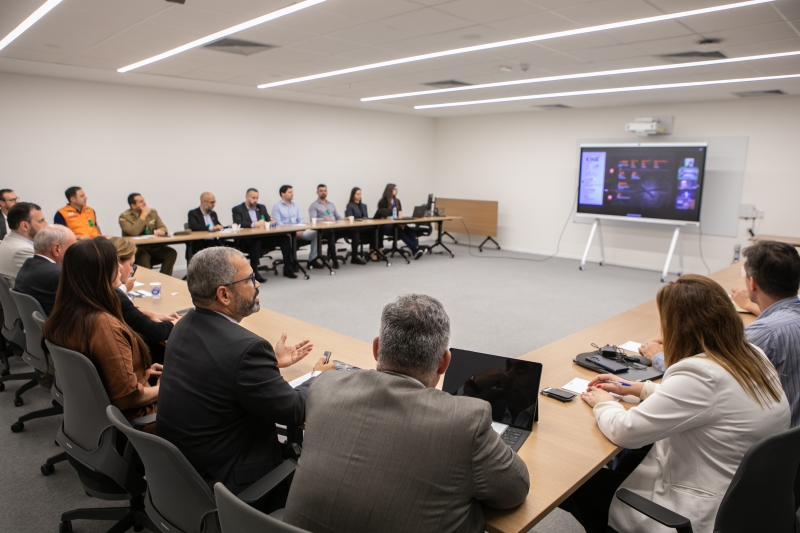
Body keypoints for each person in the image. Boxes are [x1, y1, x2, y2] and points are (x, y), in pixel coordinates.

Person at [561, 274, 790, 533]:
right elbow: (702, 403)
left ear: (679, 327)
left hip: (698, 510)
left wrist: (603, 402)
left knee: (570, 482)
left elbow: (624, 432)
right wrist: (637, 388)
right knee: (631, 461)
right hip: (745, 500)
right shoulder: (750, 354)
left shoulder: (699, 374)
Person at [283, 294, 530, 533]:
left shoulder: (324, 386)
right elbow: (514, 490)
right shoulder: (465, 420)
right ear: (444, 362)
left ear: (377, 349)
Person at [155, 247, 334, 496]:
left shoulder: (183, 325)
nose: (257, 283)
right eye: (249, 279)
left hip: (182, 475)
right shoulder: (246, 349)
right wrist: (318, 377)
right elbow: (295, 410)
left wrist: (270, 361)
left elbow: (220, 366)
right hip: (229, 485)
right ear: (224, 295)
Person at [642, 241, 800, 428]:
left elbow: (703, 376)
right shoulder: (782, 322)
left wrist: (658, 356)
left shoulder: (761, 335)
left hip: (771, 436)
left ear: (752, 282)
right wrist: (750, 306)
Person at [41, 238, 161, 427]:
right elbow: (129, 398)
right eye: (117, 262)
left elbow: (101, 375)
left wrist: (143, 373)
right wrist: (167, 387)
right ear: (103, 272)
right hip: (136, 422)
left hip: (92, 421)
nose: (122, 268)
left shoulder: (64, 315)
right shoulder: (103, 325)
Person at [108, 236, 177, 365]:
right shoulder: (114, 296)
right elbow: (156, 332)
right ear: (117, 264)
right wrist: (178, 321)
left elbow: (129, 313)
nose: (132, 270)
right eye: (130, 264)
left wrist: (145, 313)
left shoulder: (100, 291)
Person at [232, 188, 294, 280]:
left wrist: (271, 220)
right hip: (247, 240)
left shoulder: (261, 207)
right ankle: (254, 271)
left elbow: (268, 218)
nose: (255, 200)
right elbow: (238, 222)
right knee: (256, 240)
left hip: (263, 238)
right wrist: (254, 224)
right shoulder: (237, 209)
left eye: (257, 198)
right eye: (253, 198)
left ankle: (288, 268)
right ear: (246, 197)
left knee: (285, 238)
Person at [15, 225, 76, 316]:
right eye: (72, 248)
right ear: (56, 249)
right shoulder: (59, 274)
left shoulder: (28, 265)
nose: (75, 253)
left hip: (33, 327)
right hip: (57, 327)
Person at [118, 193, 177, 276]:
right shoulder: (124, 217)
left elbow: (163, 227)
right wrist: (143, 215)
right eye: (141, 202)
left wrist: (161, 231)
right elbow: (133, 232)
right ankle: (147, 280)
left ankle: (165, 277)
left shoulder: (152, 213)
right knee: (144, 256)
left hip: (152, 246)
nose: (144, 203)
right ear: (133, 205)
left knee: (171, 253)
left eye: (143, 200)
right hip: (136, 249)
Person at [271, 185, 321, 269]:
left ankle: (313, 259)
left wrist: (299, 230)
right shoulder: (277, 207)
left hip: (299, 231)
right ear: (282, 194)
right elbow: (278, 224)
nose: (292, 194)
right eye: (290, 192)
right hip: (286, 234)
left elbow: (301, 219)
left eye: (292, 192)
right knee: (286, 239)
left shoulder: (295, 206)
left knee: (316, 233)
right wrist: (293, 231)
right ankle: (290, 263)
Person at [375, 183, 423, 260]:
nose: (397, 191)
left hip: (397, 224)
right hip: (386, 225)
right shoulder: (383, 201)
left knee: (410, 230)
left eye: (396, 189)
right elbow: (383, 216)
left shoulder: (397, 201)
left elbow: (400, 213)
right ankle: (415, 249)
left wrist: (402, 223)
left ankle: (415, 251)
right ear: (390, 190)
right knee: (399, 230)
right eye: (395, 189)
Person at [0, 202, 48, 279]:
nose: (46, 224)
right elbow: (47, 276)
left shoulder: (8, 240)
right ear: (25, 226)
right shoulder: (23, 251)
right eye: (41, 221)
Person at [308, 184, 343, 268]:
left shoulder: (331, 204)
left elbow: (338, 217)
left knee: (352, 231)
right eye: (321, 191)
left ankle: (354, 256)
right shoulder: (314, 205)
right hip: (322, 230)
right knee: (331, 233)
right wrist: (324, 220)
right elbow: (313, 220)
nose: (323, 192)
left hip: (334, 227)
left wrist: (344, 219)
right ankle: (334, 260)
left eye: (325, 191)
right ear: (317, 192)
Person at [344, 187, 378, 264]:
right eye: (357, 194)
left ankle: (372, 253)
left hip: (363, 227)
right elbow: (350, 218)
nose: (359, 196)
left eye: (360, 194)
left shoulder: (364, 205)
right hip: (354, 228)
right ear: (353, 195)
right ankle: (354, 257)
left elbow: (365, 217)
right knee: (356, 232)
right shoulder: (350, 205)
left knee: (375, 229)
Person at [187, 192, 224, 259]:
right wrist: (211, 228)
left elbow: (218, 225)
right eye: (212, 202)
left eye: (214, 202)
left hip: (214, 243)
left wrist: (222, 227)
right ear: (204, 202)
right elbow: (194, 226)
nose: (214, 205)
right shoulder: (193, 213)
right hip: (200, 243)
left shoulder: (213, 214)